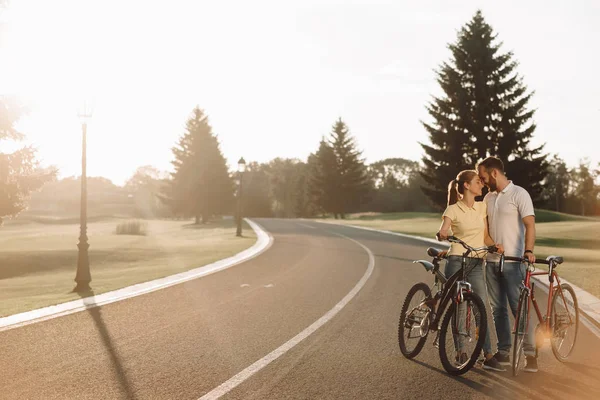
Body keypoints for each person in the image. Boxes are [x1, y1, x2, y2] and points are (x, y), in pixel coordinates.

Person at [437, 169, 505, 372]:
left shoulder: (481, 207)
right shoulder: (452, 209)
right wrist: (442, 234)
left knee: (480, 307)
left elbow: (484, 236)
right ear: (466, 185)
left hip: (477, 262)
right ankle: (460, 352)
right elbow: (445, 229)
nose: (481, 184)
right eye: (477, 182)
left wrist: (495, 245)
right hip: (457, 260)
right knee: (459, 308)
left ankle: (488, 354)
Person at [477, 156, 538, 373]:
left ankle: (531, 355)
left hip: (513, 263)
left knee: (519, 310)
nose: (482, 182)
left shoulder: (519, 193)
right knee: (498, 310)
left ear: (494, 173)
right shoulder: (488, 199)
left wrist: (528, 251)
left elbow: (530, 225)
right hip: (491, 263)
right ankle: (503, 353)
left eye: (483, 177)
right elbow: (484, 232)